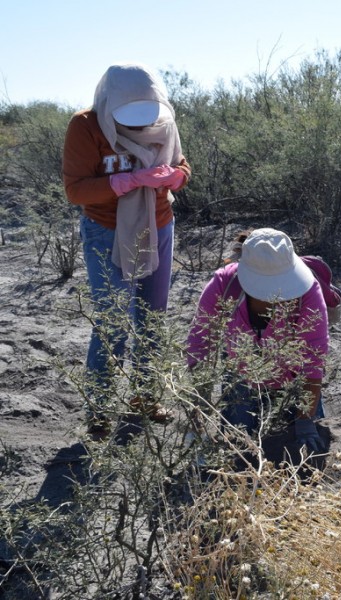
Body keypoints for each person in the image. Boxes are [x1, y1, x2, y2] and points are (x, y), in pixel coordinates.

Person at [62, 63, 191, 439]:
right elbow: (77, 190)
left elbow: (183, 165)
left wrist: (176, 177)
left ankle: (145, 398)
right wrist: (130, 180)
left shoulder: (164, 120)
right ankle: (100, 409)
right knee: (113, 321)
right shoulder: (85, 127)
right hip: (107, 230)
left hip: (159, 225)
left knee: (153, 317)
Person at [185, 228, 329, 466]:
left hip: (292, 378)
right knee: (239, 438)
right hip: (242, 376)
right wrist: (196, 416)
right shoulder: (224, 284)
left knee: (303, 431)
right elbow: (200, 346)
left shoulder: (308, 292)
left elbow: (313, 361)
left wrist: (305, 422)